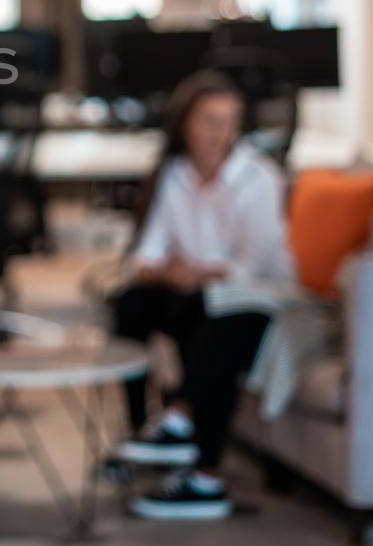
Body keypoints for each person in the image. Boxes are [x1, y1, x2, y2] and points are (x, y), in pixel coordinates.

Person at [108, 71, 291, 521]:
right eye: (210, 121)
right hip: (190, 290)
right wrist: (169, 270)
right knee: (129, 302)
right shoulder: (173, 174)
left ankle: (204, 473)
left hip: (256, 296)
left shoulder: (259, 179)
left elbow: (255, 265)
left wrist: (198, 271)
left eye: (229, 122)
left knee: (215, 322)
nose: (220, 133)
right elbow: (145, 253)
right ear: (184, 124)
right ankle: (147, 434)